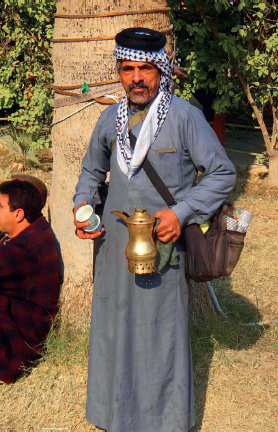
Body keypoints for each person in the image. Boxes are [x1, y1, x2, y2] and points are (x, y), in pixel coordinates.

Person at [73, 27, 236, 431]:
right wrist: (82, 208)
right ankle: (112, 415)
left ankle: (163, 421)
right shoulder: (109, 119)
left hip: (163, 249)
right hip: (113, 249)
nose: (137, 78)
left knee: (160, 334)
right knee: (114, 330)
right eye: (128, 69)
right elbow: (91, 171)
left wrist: (181, 213)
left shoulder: (184, 117)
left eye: (146, 68)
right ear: (120, 72)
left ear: (161, 71)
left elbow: (221, 173)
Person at [0, 180, 60, 384]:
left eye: (0, 207)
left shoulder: (25, 250)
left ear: (18, 214)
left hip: (16, 342)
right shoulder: (31, 232)